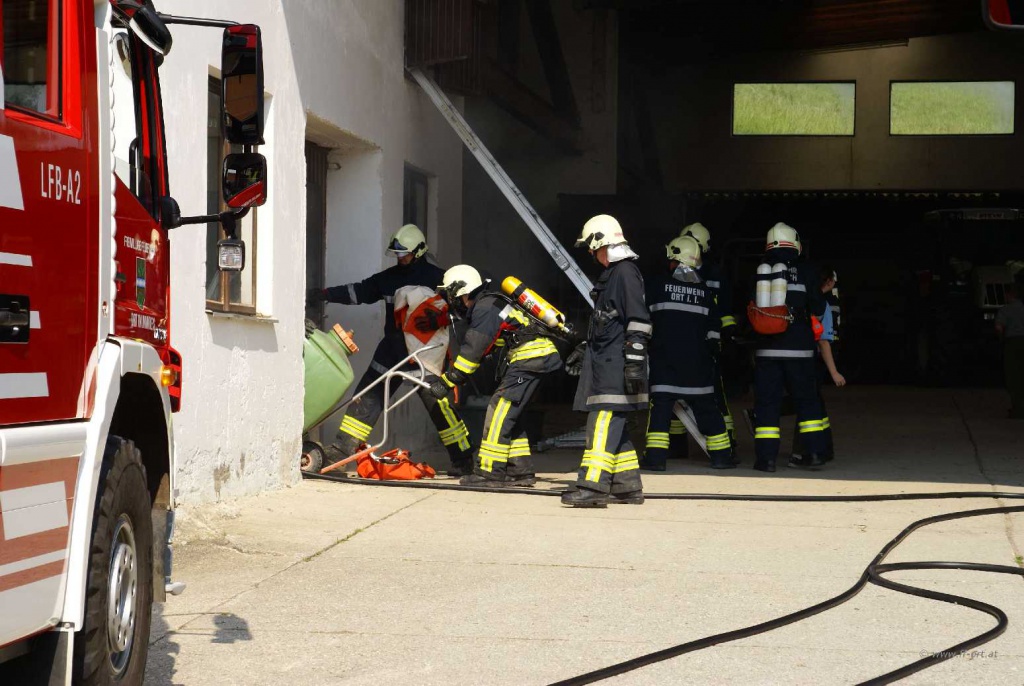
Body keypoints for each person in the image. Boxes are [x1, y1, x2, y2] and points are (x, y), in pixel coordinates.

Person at [307, 224, 474, 475]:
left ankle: (463, 459)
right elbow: (359, 291)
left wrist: (438, 319)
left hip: (424, 351)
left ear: (419, 251)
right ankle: (341, 451)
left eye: (404, 253)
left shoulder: (439, 279)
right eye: (397, 254)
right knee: (367, 394)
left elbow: (462, 308)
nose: (400, 258)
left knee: (438, 404)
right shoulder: (388, 278)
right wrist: (324, 294)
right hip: (393, 347)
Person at [431, 265, 564, 487]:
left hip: (529, 360)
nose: (451, 300)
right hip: (535, 359)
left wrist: (447, 382)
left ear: (460, 291)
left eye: (451, 294)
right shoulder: (491, 303)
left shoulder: (484, 309)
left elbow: (471, 353)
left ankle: (489, 472)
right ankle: (519, 470)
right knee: (511, 415)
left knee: (498, 411)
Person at [562, 215, 649, 507]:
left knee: (602, 422)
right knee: (616, 426)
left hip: (616, 365)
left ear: (603, 242)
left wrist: (634, 362)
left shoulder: (624, 273)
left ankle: (592, 487)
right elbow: (608, 322)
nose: (591, 253)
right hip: (607, 362)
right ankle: (627, 486)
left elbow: (638, 319)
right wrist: (585, 347)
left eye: (592, 247)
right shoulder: (614, 274)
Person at [641, 235, 735, 471]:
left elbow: (642, 317)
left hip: (665, 361)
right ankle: (722, 457)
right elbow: (714, 329)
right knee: (707, 408)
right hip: (698, 364)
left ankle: (655, 459)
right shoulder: (704, 292)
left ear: (675, 259)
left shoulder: (658, 286)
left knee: (661, 410)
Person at [749, 222, 829, 472]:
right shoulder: (807, 270)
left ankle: (766, 460)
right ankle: (813, 454)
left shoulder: (759, 271)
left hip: (767, 349)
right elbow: (818, 307)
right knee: (807, 402)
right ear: (796, 244)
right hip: (799, 348)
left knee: (767, 404)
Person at [680, 223, 738, 456]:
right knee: (676, 394)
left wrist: (726, 337)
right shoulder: (676, 273)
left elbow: (725, 310)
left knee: (714, 393)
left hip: (708, 343)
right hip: (684, 341)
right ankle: (676, 445)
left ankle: (727, 441)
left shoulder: (715, 274)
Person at [791, 266, 846, 462]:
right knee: (810, 406)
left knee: (808, 404)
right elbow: (823, 342)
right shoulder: (822, 306)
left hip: (791, 358)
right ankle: (809, 452)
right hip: (810, 362)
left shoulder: (798, 300)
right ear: (829, 282)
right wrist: (834, 372)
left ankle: (820, 449)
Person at [995, 282, 1024, 419]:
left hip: (1012, 343)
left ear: (1008, 295)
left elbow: (999, 327)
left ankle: (1018, 409)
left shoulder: (1005, 310)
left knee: (1013, 376)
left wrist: (1001, 340)